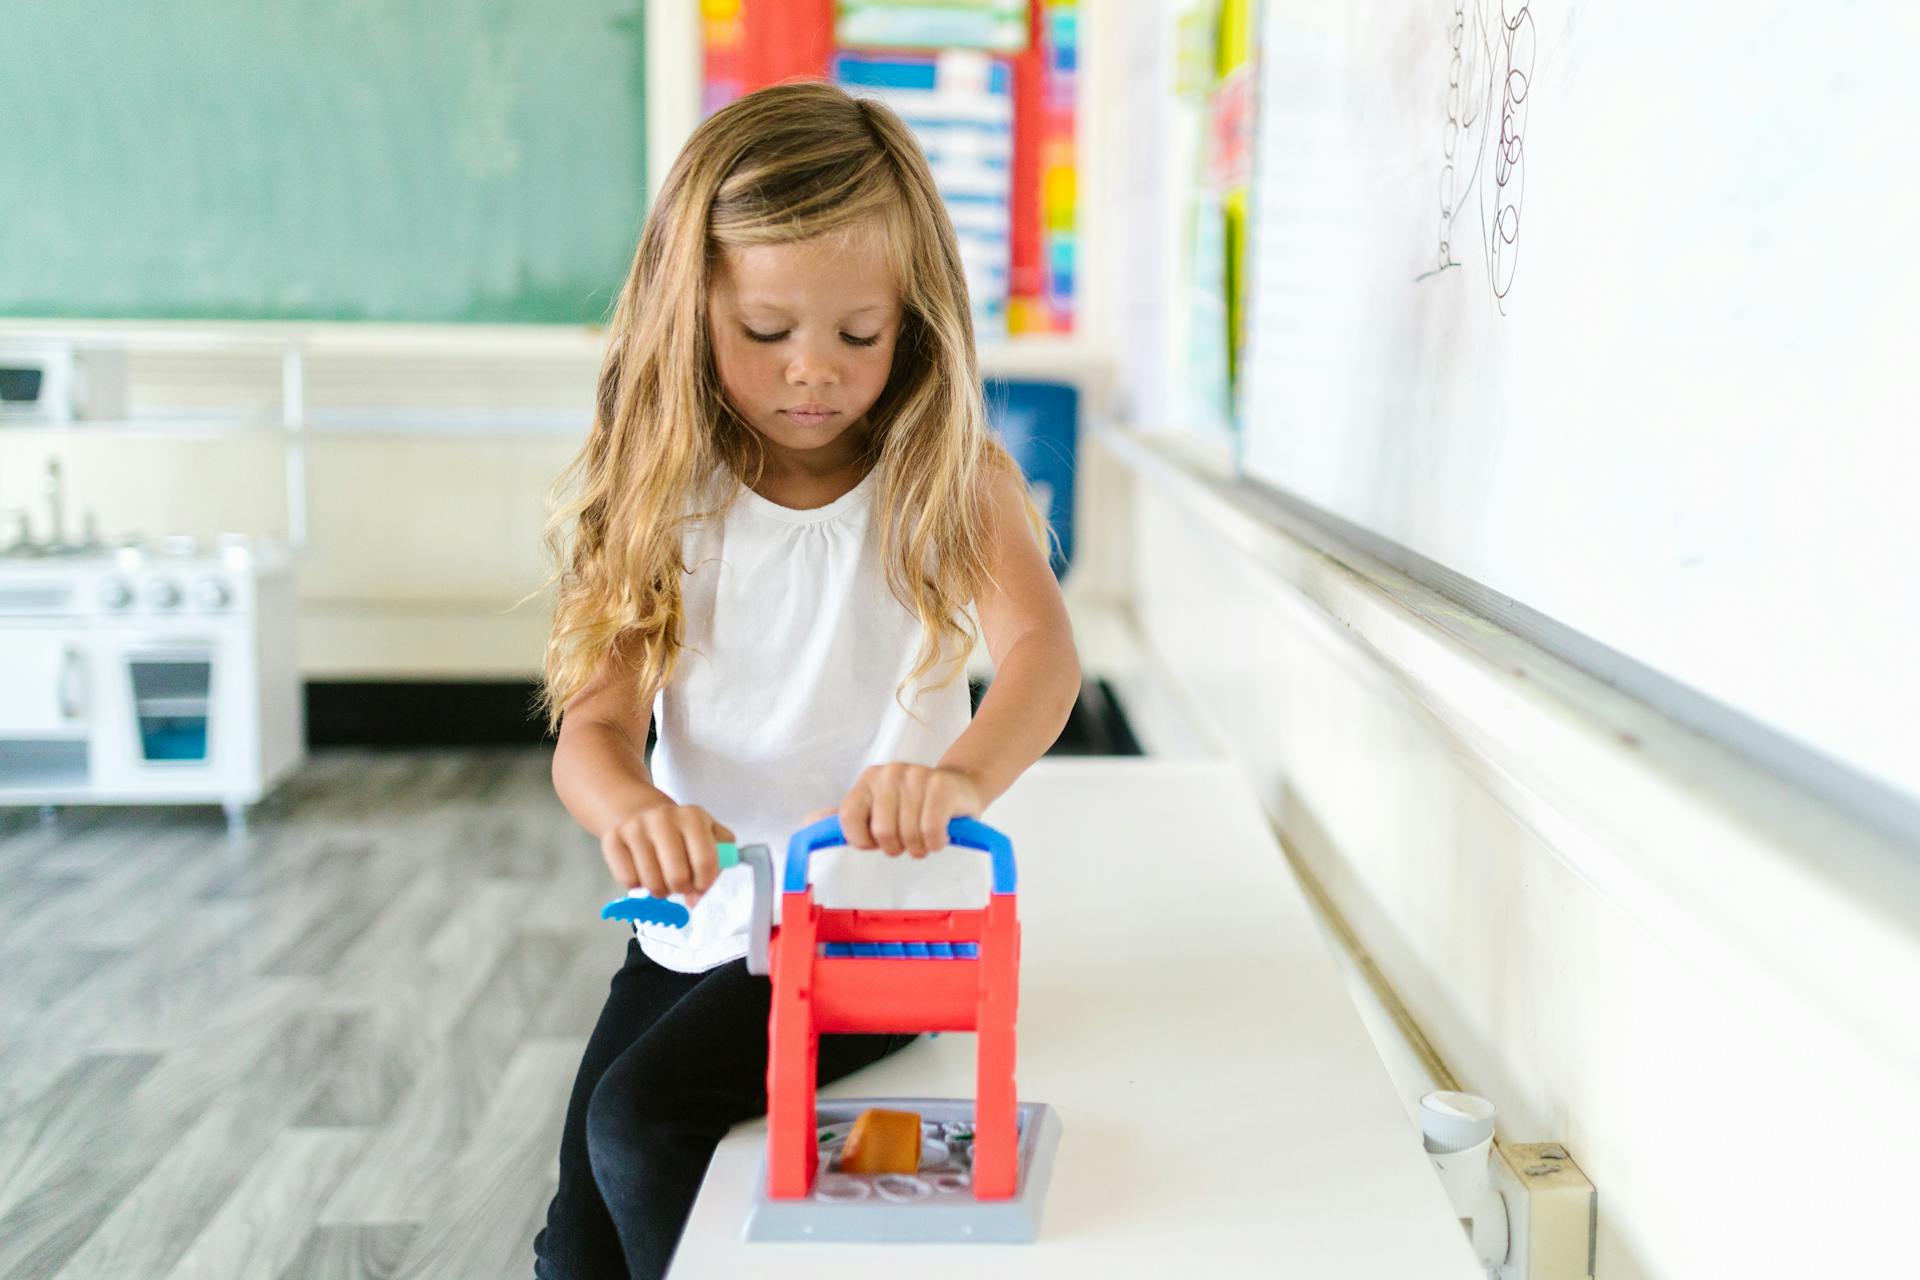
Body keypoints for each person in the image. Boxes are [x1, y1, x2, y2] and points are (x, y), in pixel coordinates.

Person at [530, 80, 1081, 1279]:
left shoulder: (953, 478)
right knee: (573, 1248)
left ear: (914, 322)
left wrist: (957, 777)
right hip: (705, 925)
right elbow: (596, 729)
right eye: (767, 334)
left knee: (642, 1122)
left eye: (859, 335)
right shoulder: (660, 493)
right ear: (692, 312)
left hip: (879, 929)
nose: (813, 374)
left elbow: (1046, 661)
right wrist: (633, 807)